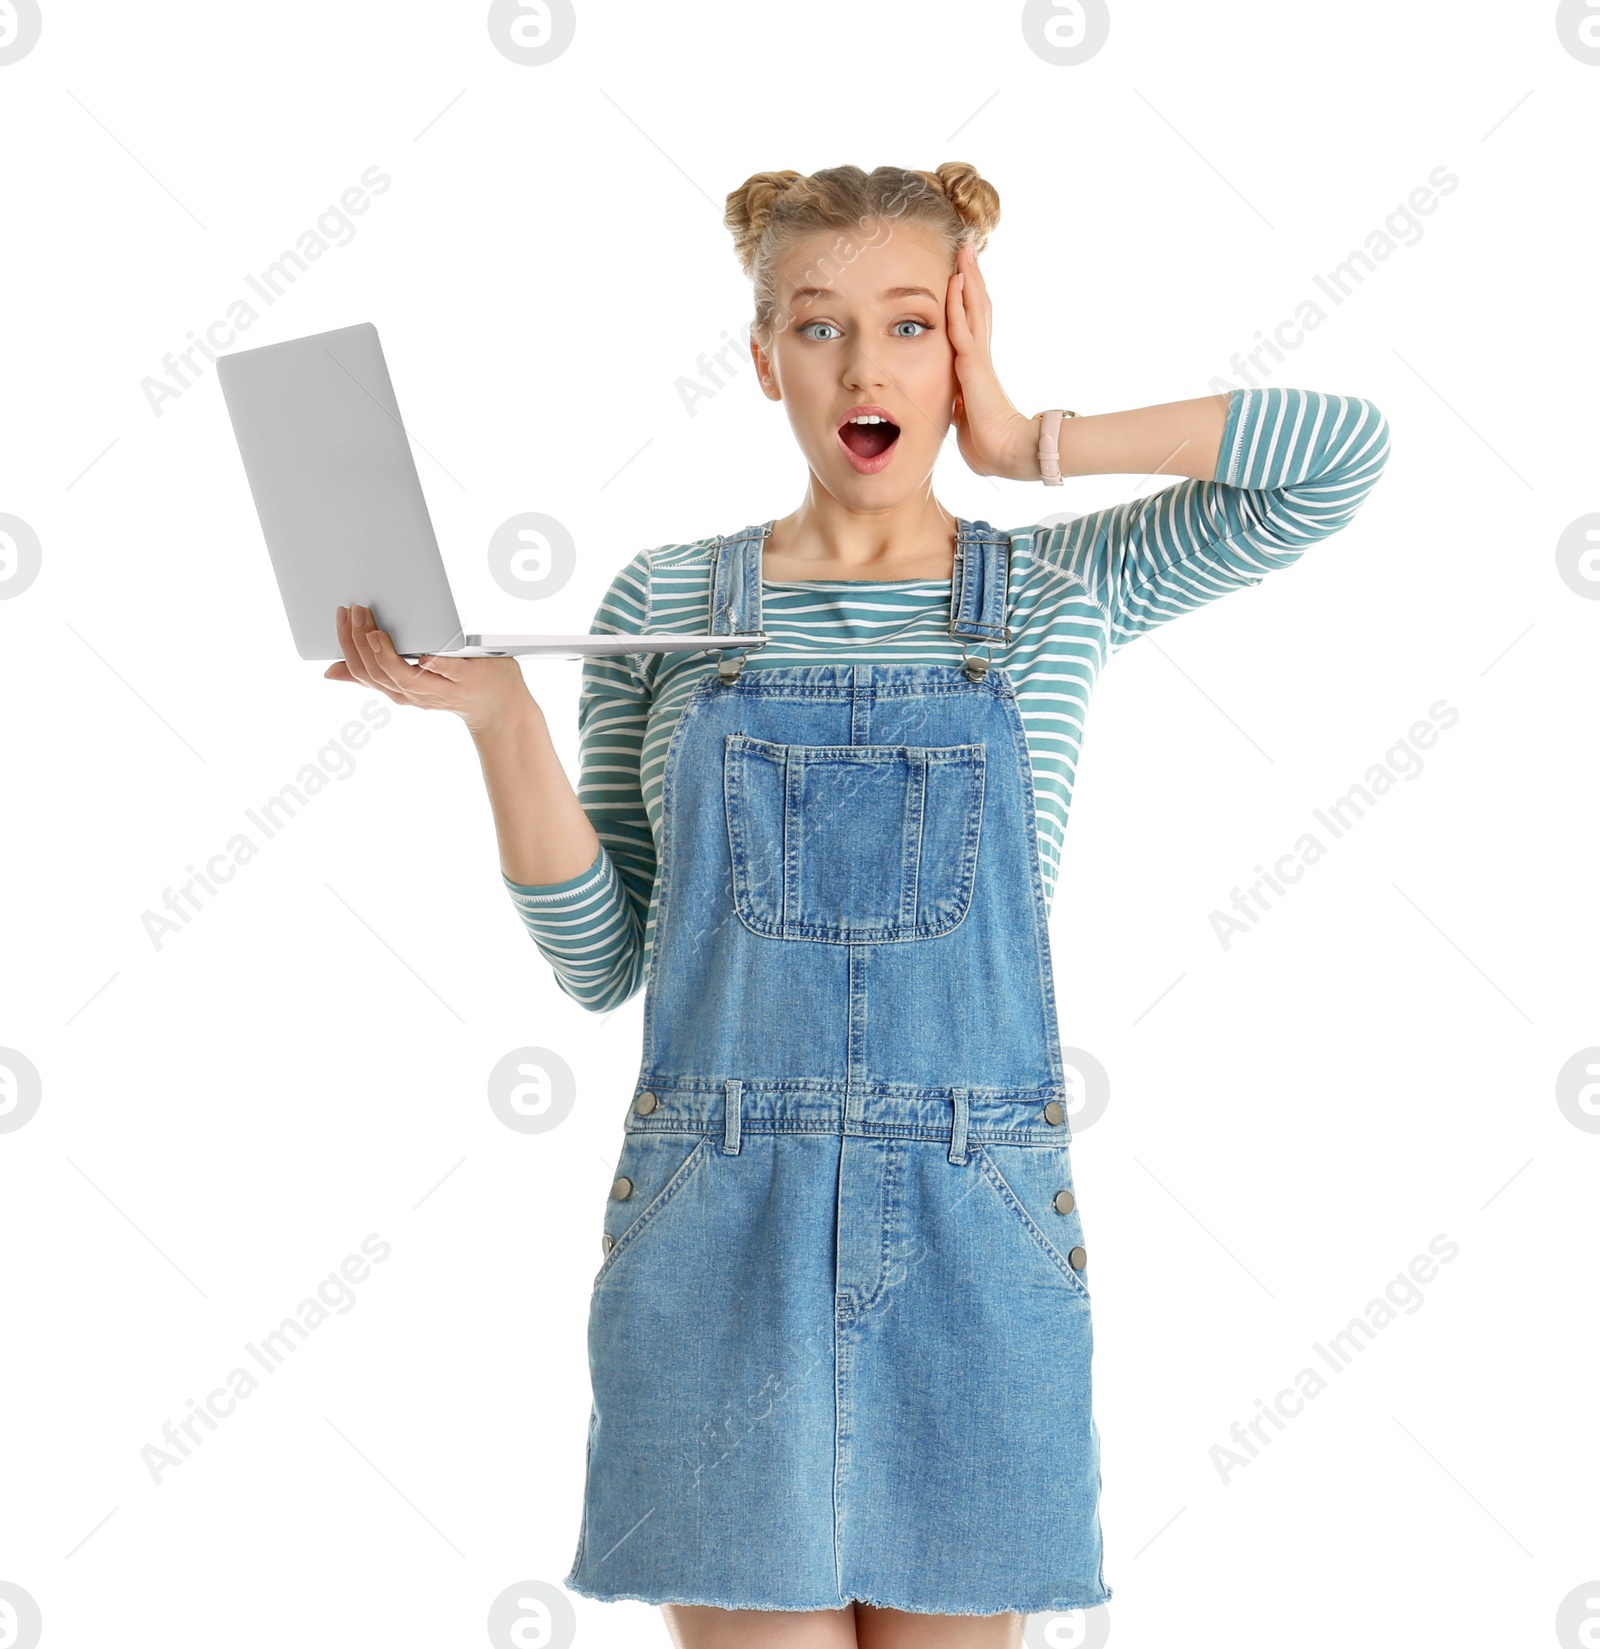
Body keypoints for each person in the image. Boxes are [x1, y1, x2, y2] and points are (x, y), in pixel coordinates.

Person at [325, 163, 1390, 1649]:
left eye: (908, 323)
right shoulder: (664, 600)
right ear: (762, 358)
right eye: (820, 328)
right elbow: (604, 960)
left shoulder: (1053, 591)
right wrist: (501, 720)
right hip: (721, 1209)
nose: (865, 367)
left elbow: (1337, 455)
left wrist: (1035, 441)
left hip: (978, 1210)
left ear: (964, 339)